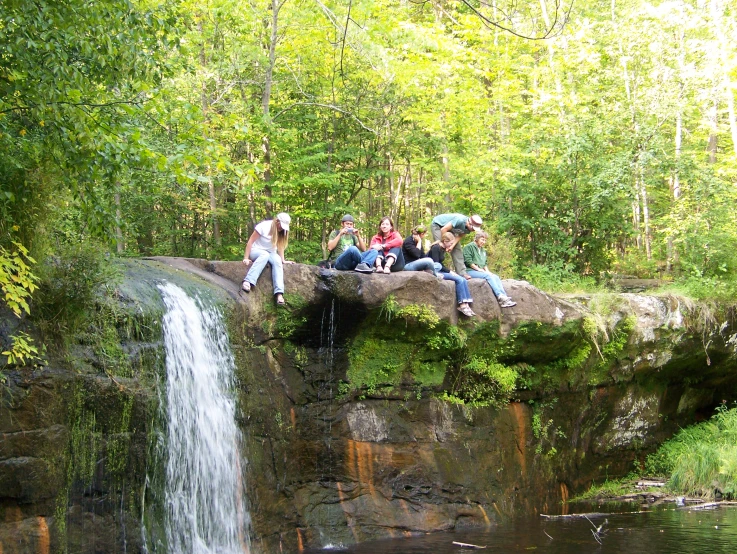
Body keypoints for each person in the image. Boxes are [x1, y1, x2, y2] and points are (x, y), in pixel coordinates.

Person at [241, 212, 293, 305]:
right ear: (277, 221)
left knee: (277, 261)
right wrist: (246, 257)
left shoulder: (282, 231)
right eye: (281, 225)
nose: (281, 228)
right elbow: (250, 242)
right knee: (264, 255)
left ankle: (279, 293)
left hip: (271, 253)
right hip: (256, 250)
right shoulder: (263, 226)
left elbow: (280, 246)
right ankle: (248, 281)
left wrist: (283, 260)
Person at [463, 231, 516, 308]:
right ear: (477, 239)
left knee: (495, 276)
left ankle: (504, 298)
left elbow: (484, 264)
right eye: (482, 239)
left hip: (480, 271)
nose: (484, 242)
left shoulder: (483, 250)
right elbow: (468, 262)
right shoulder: (469, 247)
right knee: (489, 276)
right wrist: (479, 269)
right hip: (469, 271)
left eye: (485, 240)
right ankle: (500, 296)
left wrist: (487, 271)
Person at [429, 232, 476, 317]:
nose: (451, 245)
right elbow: (436, 264)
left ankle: (466, 303)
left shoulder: (442, 249)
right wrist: (449, 271)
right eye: (450, 243)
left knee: (462, 279)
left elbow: (440, 264)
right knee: (458, 279)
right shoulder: (436, 248)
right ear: (445, 241)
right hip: (434, 272)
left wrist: (449, 271)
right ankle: (462, 305)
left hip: (440, 270)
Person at [430, 213, 483, 279]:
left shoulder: (469, 229)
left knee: (457, 250)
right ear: (469, 223)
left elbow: (460, 236)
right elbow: (444, 229)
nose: (473, 230)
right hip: (438, 225)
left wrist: (452, 246)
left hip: (450, 229)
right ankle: (435, 269)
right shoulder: (459, 220)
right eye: (473, 228)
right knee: (440, 247)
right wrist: (446, 244)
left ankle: (462, 273)